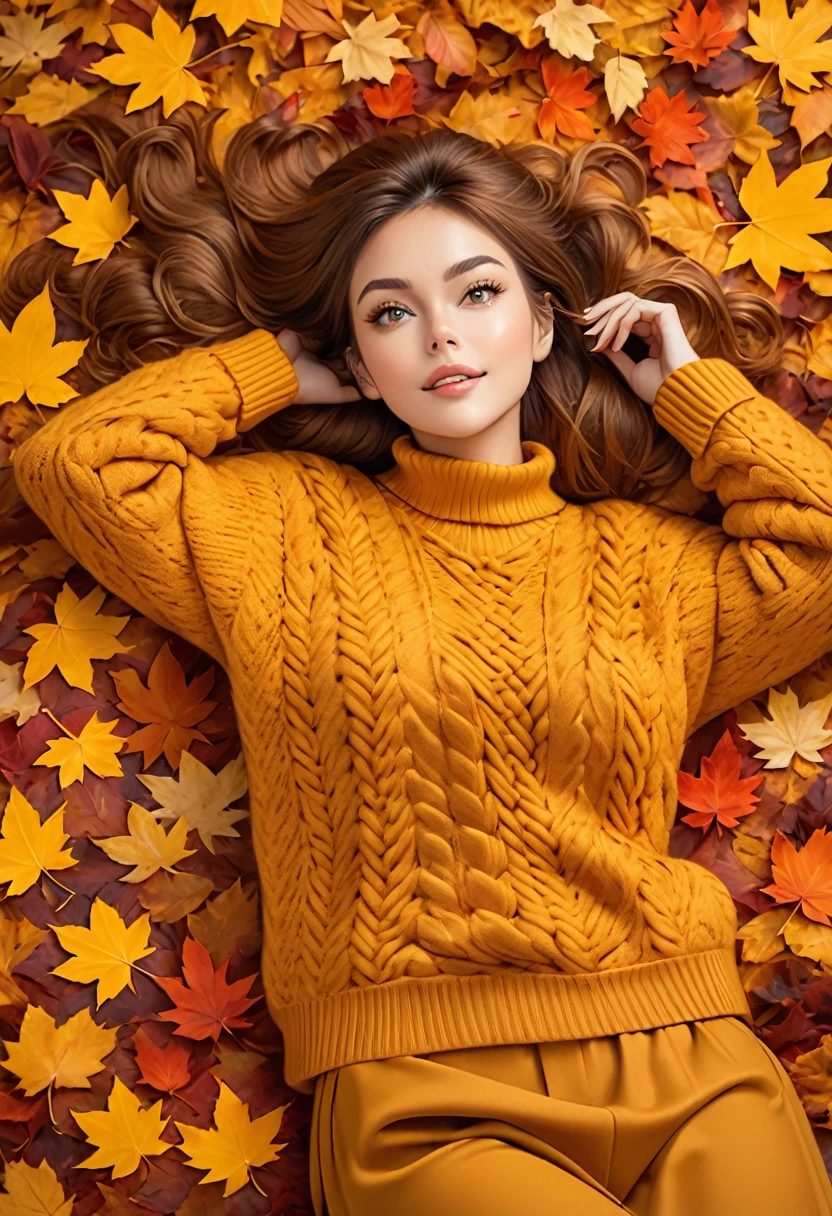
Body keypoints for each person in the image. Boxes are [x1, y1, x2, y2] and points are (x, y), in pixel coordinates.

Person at [10, 115, 832, 1215]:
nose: (442, 334)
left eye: (479, 292)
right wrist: (271, 370)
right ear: (356, 358)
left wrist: (686, 383)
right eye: (391, 312)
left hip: (690, 1056)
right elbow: (74, 464)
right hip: (420, 1093)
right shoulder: (280, 531)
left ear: (544, 322)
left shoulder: (648, 565)